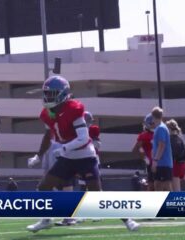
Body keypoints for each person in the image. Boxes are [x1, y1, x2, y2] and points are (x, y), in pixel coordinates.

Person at [25, 76, 139, 233]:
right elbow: (47, 135)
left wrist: (64, 148)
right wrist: (38, 156)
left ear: (63, 94)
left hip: (84, 155)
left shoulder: (74, 109)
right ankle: (47, 219)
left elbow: (84, 138)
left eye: (52, 94)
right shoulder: (47, 113)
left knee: (97, 195)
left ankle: (128, 219)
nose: (48, 97)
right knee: (44, 186)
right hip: (67, 157)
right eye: (46, 93)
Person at [151, 107, 173, 191]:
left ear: (153, 116)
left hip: (163, 163)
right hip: (163, 163)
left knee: (164, 186)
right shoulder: (159, 128)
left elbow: (161, 145)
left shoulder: (161, 128)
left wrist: (155, 161)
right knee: (158, 185)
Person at [132, 114, 155, 191]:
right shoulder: (144, 135)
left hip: (162, 162)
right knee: (152, 185)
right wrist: (145, 158)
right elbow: (135, 149)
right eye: (153, 123)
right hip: (152, 163)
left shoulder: (160, 133)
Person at [166, 119, 185, 191]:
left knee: (174, 189)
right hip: (178, 166)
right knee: (176, 188)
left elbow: (172, 154)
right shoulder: (179, 139)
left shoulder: (172, 139)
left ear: (169, 128)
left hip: (173, 166)